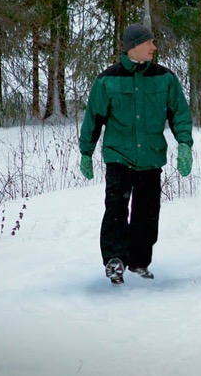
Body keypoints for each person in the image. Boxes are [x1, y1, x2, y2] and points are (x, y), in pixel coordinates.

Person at [79, 23, 194, 284]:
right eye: (149, 42)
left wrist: (184, 144)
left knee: (147, 212)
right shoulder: (108, 79)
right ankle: (114, 260)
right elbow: (94, 117)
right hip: (118, 156)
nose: (154, 47)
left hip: (151, 157)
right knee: (116, 208)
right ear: (135, 46)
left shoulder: (165, 78)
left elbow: (179, 113)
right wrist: (86, 151)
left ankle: (140, 261)